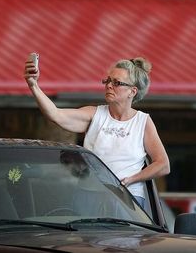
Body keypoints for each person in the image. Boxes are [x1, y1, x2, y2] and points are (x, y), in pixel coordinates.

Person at [24, 55, 170, 211]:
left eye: (117, 83)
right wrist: (33, 85)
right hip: (88, 193)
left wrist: (131, 179)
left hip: (127, 196)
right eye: (107, 81)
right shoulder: (94, 114)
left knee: (125, 236)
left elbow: (163, 165)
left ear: (132, 91)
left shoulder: (142, 121)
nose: (109, 86)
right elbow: (55, 114)